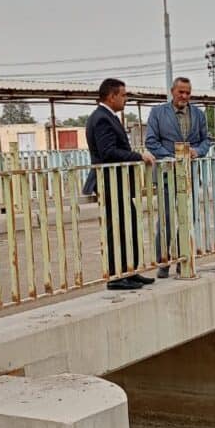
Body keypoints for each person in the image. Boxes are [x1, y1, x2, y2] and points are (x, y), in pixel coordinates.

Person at [85, 78, 156, 291]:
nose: (126, 99)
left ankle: (129, 271)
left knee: (130, 225)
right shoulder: (101, 119)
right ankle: (116, 277)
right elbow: (108, 152)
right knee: (116, 228)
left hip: (117, 182)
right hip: (109, 182)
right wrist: (138, 156)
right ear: (111, 96)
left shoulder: (108, 117)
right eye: (123, 95)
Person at [145, 76, 212, 277]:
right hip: (166, 174)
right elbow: (151, 142)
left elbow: (206, 140)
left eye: (188, 92)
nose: (184, 96)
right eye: (181, 92)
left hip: (189, 176)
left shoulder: (198, 114)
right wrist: (174, 158)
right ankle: (163, 262)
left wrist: (197, 152)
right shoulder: (157, 113)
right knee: (165, 219)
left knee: (188, 219)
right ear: (172, 91)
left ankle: (183, 259)